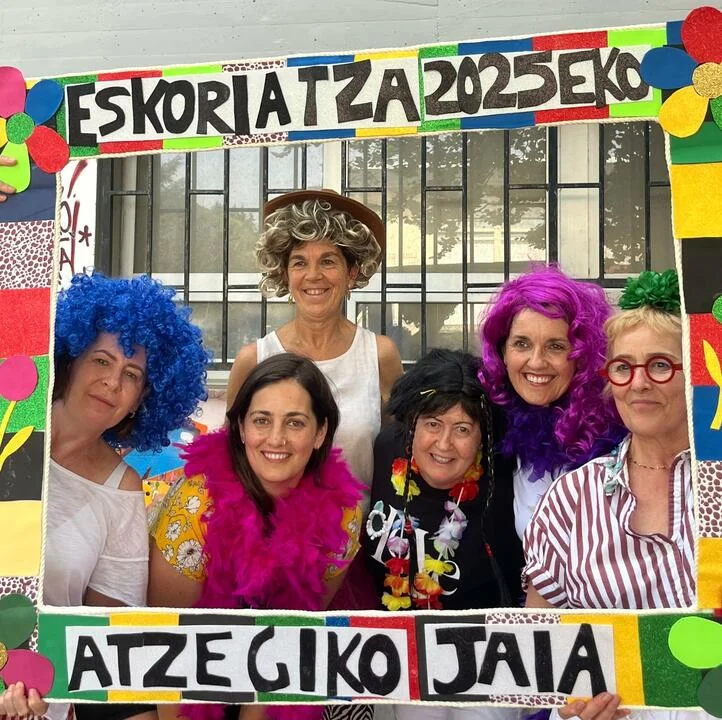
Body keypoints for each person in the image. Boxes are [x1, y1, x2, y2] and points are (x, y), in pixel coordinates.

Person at [0, 272, 209, 720]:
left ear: (142, 399)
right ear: (70, 359)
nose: (113, 382)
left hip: (35, 701)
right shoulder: (6, 420)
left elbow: (110, 641)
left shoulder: (122, 490)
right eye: (101, 360)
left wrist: (36, 684)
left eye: (131, 374)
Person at [525, 270, 710, 720]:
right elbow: (538, 647)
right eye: (623, 367)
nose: (639, 383)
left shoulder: (717, 481)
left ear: (698, 374)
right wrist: (572, 706)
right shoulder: (571, 498)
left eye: (661, 365)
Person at [148, 353, 365, 720]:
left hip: (278, 677)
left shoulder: (343, 517)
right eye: (262, 420)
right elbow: (166, 647)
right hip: (183, 682)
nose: (276, 439)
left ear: (320, 433)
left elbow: (295, 637)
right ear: (240, 429)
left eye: (295, 423)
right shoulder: (195, 506)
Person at [365, 349, 523, 720]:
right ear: (411, 423)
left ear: (483, 436)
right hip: (395, 656)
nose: (444, 444)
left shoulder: (506, 477)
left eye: (463, 429)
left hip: (486, 663)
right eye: (433, 424)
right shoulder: (386, 449)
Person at [227, 189, 403, 504]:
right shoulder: (253, 359)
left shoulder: (380, 355)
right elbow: (229, 459)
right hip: (270, 533)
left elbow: (400, 455)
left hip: (361, 531)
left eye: (328, 261)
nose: (313, 275)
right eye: (299, 262)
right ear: (285, 274)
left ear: (352, 272)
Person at [478, 265, 622, 539]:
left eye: (556, 346)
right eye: (522, 344)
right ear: (502, 351)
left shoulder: (619, 427)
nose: (536, 362)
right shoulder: (490, 422)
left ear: (582, 356)